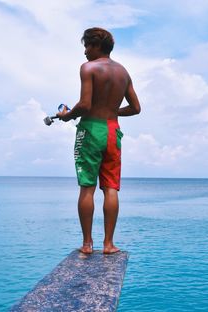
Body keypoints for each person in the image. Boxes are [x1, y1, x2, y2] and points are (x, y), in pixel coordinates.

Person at [57, 27, 141, 254]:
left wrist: (67, 115)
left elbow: (84, 105)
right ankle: (109, 244)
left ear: (96, 46)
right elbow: (135, 108)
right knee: (111, 187)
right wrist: (112, 111)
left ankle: (87, 244)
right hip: (113, 131)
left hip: (91, 129)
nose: (85, 51)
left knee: (87, 187)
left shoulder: (88, 68)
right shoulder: (123, 73)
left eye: (87, 46)